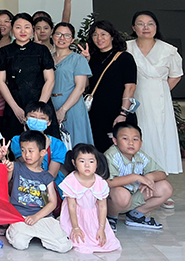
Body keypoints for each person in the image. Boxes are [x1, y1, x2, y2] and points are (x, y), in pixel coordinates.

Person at [126, 11, 182, 178]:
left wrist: (161, 91)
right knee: (136, 132)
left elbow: (176, 75)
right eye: (140, 24)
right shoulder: (126, 47)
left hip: (159, 99)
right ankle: (135, 175)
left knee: (159, 134)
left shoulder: (168, 50)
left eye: (150, 24)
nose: (146, 27)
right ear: (133, 27)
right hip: (134, 97)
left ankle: (159, 176)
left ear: (156, 27)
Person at [5, 130, 72, 253]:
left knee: (64, 246)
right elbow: (4, 183)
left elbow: (52, 202)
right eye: (23, 150)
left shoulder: (46, 176)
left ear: (42, 152)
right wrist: (8, 169)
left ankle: (39, 232)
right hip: (20, 216)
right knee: (20, 243)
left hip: (42, 217)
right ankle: (17, 230)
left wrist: (36, 217)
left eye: (31, 151)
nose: (26, 154)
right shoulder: (16, 167)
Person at [0, 12, 55, 140]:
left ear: (32, 29)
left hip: (40, 103)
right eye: (18, 27)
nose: (23, 31)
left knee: (44, 144)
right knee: (14, 143)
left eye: (27, 27)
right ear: (12, 29)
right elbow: (0, 82)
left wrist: (38, 110)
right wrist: (15, 108)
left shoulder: (41, 50)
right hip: (14, 104)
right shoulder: (5, 52)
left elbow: (50, 80)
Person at [105, 121, 172, 231]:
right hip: (114, 200)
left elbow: (162, 174)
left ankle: (135, 215)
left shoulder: (140, 155)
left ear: (141, 143)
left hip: (133, 196)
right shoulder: (111, 155)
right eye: (125, 138)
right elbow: (108, 182)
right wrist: (135, 177)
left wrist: (150, 177)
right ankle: (110, 217)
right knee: (122, 195)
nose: (131, 143)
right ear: (115, 141)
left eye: (135, 139)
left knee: (165, 187)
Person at [83, 20, 137, 153]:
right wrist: (84, 63)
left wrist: (123, 113)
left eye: (103, 34)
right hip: (96, 113)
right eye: (95, 35)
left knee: (122, 151)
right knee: (99, 151)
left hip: (118, 112)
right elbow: (85, 86)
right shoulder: (92, 58)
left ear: (112, 36)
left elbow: (130, 87)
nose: (99, 38)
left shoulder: (125, 58)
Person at [59, 144, 120, 254]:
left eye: (91, 161)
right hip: (74, 215)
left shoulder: (100, 182)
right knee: (76, 240)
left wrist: (101, 228)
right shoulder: (71, 181)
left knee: (103, 242)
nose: (87, 165)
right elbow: (71, 206)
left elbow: (102, 206)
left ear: (97, 163)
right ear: (74, 163)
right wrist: (75, 227)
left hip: (93, 215)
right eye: (82, 161)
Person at [51, 22, 94, 147]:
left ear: (72, 40)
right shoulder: (47, 58)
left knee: (76, 145)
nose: (62, 38)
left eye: (67, 35)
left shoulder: (78, 59)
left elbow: (80, 88)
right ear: (52, 36)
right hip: (51, 105)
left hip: (72, 106)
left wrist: (63, 110)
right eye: (58, 34)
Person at [9, 101, 66, 189]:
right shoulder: (17, 141)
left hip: (50, 189)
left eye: (42, 118)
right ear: (26, 119)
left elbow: (51, 175)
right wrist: (44, 148)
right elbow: (28, 169)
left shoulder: (57, 144)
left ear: (49, 122)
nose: (37, 120)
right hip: (25, 186)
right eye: (33, 117)